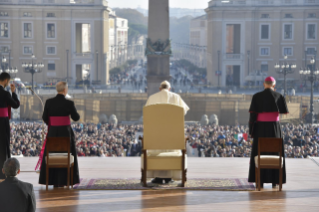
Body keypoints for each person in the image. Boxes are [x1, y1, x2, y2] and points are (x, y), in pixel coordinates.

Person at [145, 80, 190, 184]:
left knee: (157, 152)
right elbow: (183, 112)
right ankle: (169, 176)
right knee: (171, 150)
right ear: (169, 89)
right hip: (173, 134)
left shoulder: (152, 98)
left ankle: (158, 177)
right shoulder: (176, 97)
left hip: (156, 134)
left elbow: (147, 116)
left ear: (160, 89)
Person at [248, 76, 288, 188]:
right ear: (274, 85)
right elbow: (282, 112)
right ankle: (275, 181)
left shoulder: (256, 96)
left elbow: (252, 117)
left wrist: (252, 131)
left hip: (260, 129)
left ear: (264, 84)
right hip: (275, 129)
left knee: (259, 152)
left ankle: (259, 181)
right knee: (275, 152)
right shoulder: (279, 96)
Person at [38, 81, 81, 187]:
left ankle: (52, 180)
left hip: (52, 132)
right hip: (66, 133)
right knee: (66, 154)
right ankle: (67, 180)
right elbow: (76, 117)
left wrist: (53, 124)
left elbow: (44, 117)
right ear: (65, 90)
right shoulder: (69, 103)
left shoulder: (48, 102)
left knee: (52, 154)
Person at [0, 72, 20, 179]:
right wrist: (13, 92)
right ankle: (3, 172)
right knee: (3, 146)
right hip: (2, 123)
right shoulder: (5, 93)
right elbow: (16, 105)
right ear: (6, 81)